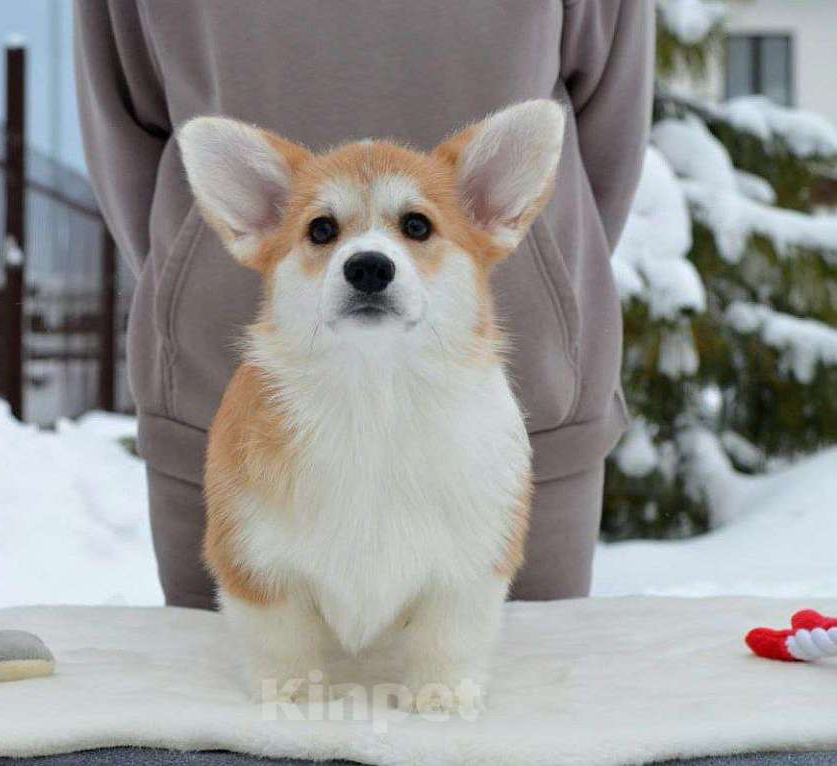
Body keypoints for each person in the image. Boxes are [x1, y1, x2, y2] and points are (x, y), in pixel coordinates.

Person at [74, 0, 655, 609]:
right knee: (261, 692)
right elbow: (123, 113)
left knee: (497, 690)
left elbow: (607, 123)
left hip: (517, 414)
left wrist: (525, 272)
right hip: (228, 412)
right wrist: (198, 277)